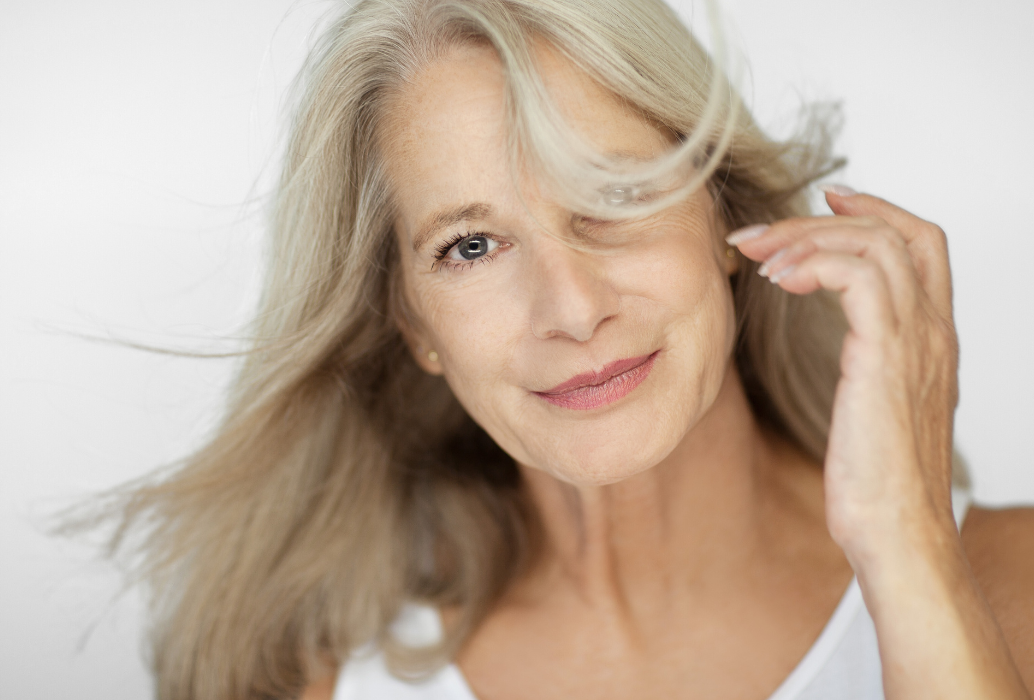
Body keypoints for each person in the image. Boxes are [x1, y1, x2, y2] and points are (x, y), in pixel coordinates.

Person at [94, 1, 1034, 698]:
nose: (573, 310)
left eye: (615, 195)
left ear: (723, 215)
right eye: (471, 246)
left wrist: (910, 551)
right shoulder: (312, 673)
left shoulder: (1008, 590)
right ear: (414, 326)